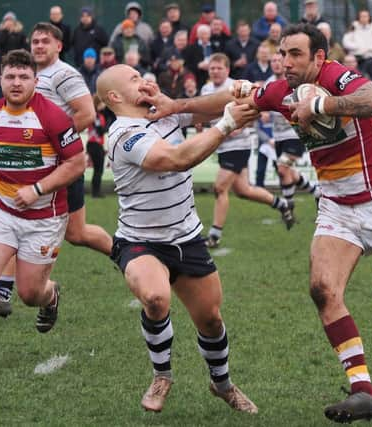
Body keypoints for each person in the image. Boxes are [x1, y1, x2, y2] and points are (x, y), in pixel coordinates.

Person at [227, 23, 372, 422]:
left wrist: (321, 106)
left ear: (318, 57)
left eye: (295, 54)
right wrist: (174, 107)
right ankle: (363, 390)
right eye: (283, 53)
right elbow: (228, 98)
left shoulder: (337, 76)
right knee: (323, 290)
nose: (285, 62)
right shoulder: (280, 90)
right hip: (337, 206)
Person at [96, 63, 260, 414]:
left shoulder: (162, 113)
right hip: (140, 241)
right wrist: (228, 123)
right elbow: (174, 159)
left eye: (141, 76)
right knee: (155, 299)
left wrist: (238, 93)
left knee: (212, 320)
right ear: (114, 96)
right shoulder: (123, 133)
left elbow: (208, 104)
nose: (144, 81)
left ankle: (223, 384)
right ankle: (162, 375)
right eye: (134, 79)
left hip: (187, 237)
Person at [0, 49, 85, 368]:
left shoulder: (53, 116)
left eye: (24, 77)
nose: (16, 83)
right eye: (10, 76)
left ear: (35, 81)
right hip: (1, 210)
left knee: (29, 293)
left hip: (45, 217)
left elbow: (77, 163)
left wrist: (38, 189)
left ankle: (51, 295)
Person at [0, 23, 109, 318]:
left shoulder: (64, 74)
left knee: (74, 232)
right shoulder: (28, 74)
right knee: (19, 217)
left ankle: (125, 251)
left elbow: (86, 113)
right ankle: (3, 291)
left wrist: (52, 141)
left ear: (59, 46)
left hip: (59, 164)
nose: (39, 45)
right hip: (33, 164)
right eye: (35, 41)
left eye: (45, 41)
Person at [201, 53, 295, 248]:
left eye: (219, 68)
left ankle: (214, 235)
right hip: (222, 145)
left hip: (238, 145)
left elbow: (254, 109)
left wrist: (241, 126)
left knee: (220, 188)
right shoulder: (206, 88)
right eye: (212, 68)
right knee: (243, 190)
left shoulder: (236, 86)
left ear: (227, 70)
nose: (215, 71)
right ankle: (281, 204)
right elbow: (205, 112)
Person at [266, 52, 321, 207]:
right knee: (288, 172)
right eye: (273, 60)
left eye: (279, 60)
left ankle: (288, 207)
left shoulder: (294, 79)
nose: (276, 63)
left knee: (282, 168)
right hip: (278, 135)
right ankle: (316, 192)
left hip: (295, 133)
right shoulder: (269, 83)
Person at [0, 12, 28, 92]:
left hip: (17, 64)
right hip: (3, 65)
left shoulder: (20, 34)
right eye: (6, 20)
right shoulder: (0, 33)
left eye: (10, 20)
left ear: (14, 22)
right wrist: (5, 31)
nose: (8, 22)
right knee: (2, 90)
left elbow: (26, 48)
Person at [86, 95, 106, 198]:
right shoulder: (96, 116)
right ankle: (95, 192)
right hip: (95, 144)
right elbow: (99, 130)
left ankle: (96, 191)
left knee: (98, 169)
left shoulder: (95, 115)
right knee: (98, 169)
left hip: (94, 144)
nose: (104, 105)